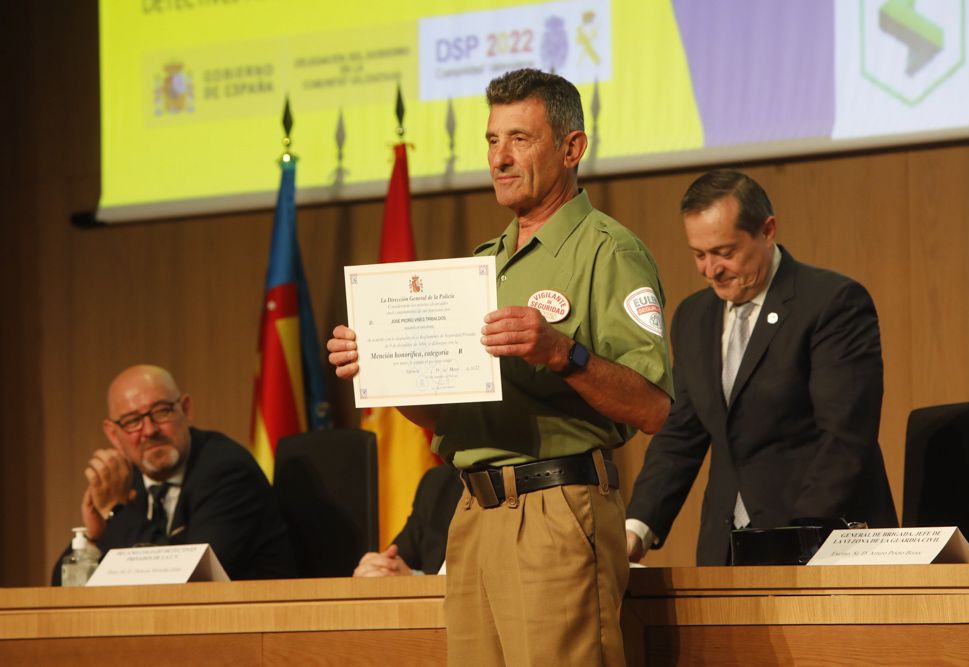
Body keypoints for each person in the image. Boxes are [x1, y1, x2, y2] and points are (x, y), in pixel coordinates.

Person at [328, 68, 673, 666]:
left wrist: (564, 353)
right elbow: (443, 417)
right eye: (492, 141)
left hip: (557, 508)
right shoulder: (481, 267)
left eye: (520, 138)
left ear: (572, 148)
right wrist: (382, 370)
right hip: (472, 514)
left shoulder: (608, 251)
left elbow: (653, 408)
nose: (500, 158)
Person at [626, 169, 898, 567]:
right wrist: (637, 529)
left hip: (821, 543)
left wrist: (796, 538)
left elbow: (845, 435)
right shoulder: (693, 318)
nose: (710, 270)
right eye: (699, 255)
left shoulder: (831, 303)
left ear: (767, 231)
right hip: (727, 552)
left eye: (724, 252)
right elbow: (681, 434)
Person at [52, 364, 296, 584]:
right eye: (132, 421)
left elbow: (183, 580)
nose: (149, 430)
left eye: (161, 411)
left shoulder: (227, 471)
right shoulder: (130, 479)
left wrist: (116, 512)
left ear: (186, 409)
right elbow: (59, 583)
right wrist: (95, 538)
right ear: (114, 434)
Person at [353, 464, 463, 577]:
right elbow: (396, 560)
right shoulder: (440, 481)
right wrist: (379, 568)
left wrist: (415, 581)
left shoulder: (481, 482)